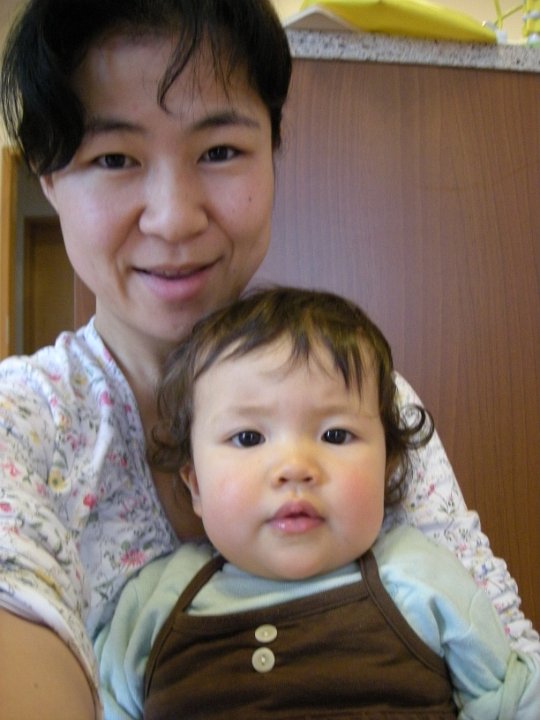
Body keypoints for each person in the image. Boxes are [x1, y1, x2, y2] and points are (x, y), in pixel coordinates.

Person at [0, 1, 537, 718]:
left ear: (273, 148)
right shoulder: (22, 428)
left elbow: (505, 655)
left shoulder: (357, 392)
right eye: (115, 159)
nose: (174, 217)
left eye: (220, 151)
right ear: (48, 177)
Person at [94, 286, 540, 719]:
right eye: (248, 438)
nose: (295, 467)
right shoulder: (151, 607)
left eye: (335, 435)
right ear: (195, 485)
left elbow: (511, 701)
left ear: (387, 467)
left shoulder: (425, 581)